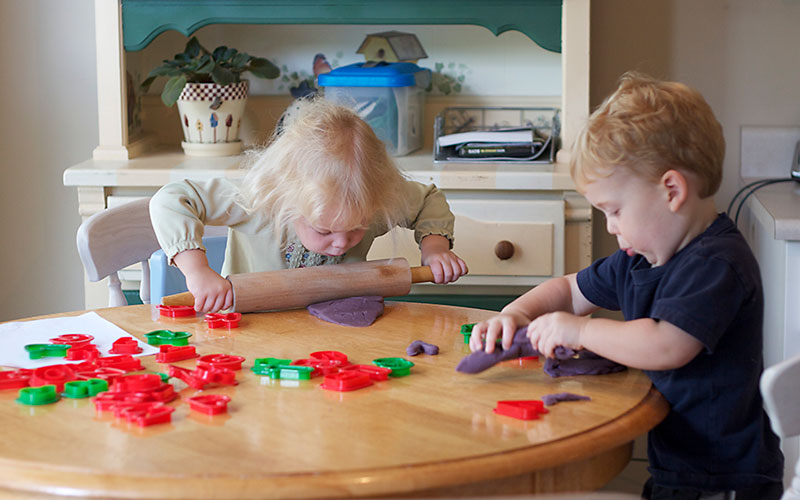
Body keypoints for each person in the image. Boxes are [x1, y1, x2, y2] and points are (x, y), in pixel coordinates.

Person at [469, 73, 784, 499]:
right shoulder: (641, 259)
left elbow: (666, 345)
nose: (611, 227)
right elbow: (569, 290)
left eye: (614, 210)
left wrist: (579, 331)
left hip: (724, 479)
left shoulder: (717, 264)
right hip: (680, 467)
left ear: (671, 189)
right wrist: (516, 314)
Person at [150, 97, 468, 313]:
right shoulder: (259, 201)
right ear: (288, 202)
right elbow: (171, 199)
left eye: (356, 228)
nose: (342, 242)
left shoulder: (372, 202)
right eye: (324, 230)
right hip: (248, 328)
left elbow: (427, 198)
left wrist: (435, 247)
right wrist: (196, 270)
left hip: (338, 327)